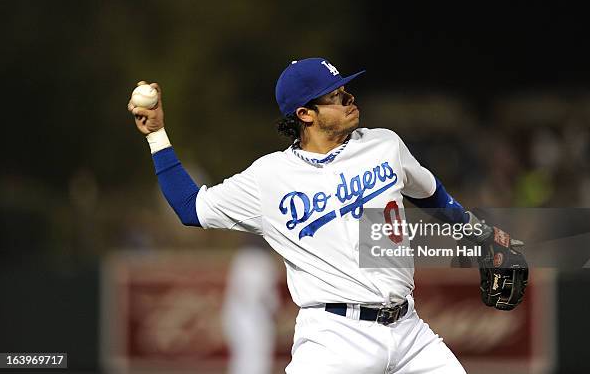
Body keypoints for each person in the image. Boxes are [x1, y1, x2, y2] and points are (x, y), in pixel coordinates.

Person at [127, 57, 526, 373]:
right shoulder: (270, 176)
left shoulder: (384, 144)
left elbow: (432, 195)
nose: (349, 98)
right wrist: (157, 136)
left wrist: (480, 235)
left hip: (410, 330)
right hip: (334, 337)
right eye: (335, 95)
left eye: (346, 89)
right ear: (305, 114)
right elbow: (190, 207)